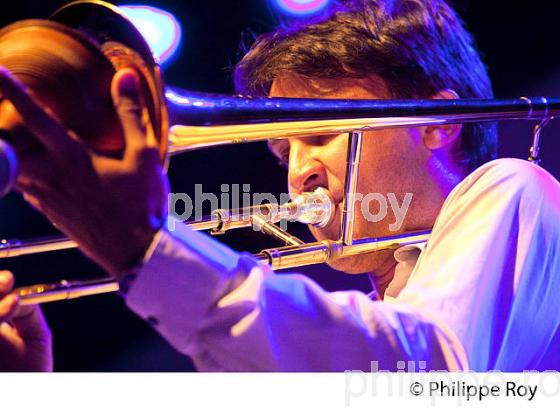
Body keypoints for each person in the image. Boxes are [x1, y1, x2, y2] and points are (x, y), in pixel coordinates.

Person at [1, 0, 560, 371]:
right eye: (283, 148)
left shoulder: (513, 185)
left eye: (320, 133)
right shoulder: (353, 319)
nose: (299, 172)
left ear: (438, 123)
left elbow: (431, 379)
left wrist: (148, 250)